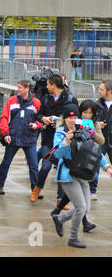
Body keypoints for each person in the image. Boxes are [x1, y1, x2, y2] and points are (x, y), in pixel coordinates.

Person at [50, 104, 112, 248]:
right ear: (64, 119)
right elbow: (56, 154)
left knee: (86, 208)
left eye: (75, 117)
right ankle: (73, 238)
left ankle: (59, 219)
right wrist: (66, 141)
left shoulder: (83, 130)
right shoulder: (60, 133)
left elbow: (94, 150)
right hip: (67, 174)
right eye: (69, 117)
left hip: (82, 173)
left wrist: (106, 166)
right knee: (80, 208)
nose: (72, 120)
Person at [32, 74, 78, 205]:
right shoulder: (46, 99)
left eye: (48, 84)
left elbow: (76, 118)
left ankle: (60, 200)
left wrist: (60, 121)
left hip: (64, 140)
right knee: (46, 166)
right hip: (48, 139)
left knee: (61, 168)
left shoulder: (71, 99)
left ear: (53, 85)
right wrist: (44, 119)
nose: (46, 87)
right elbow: (39, 115)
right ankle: (37, 188)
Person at [0, 80, 42, 195]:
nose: (18, 89)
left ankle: (35, 190)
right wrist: (6, 134)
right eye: (18, 87)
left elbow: (41, 119)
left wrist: (36, 125)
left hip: (29, 139)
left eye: (20, 87)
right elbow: (4, 118)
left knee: (34, 166)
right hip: (13, 138)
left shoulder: (36, 102)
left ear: (27, 88)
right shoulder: (11, 101)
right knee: (6, 163)